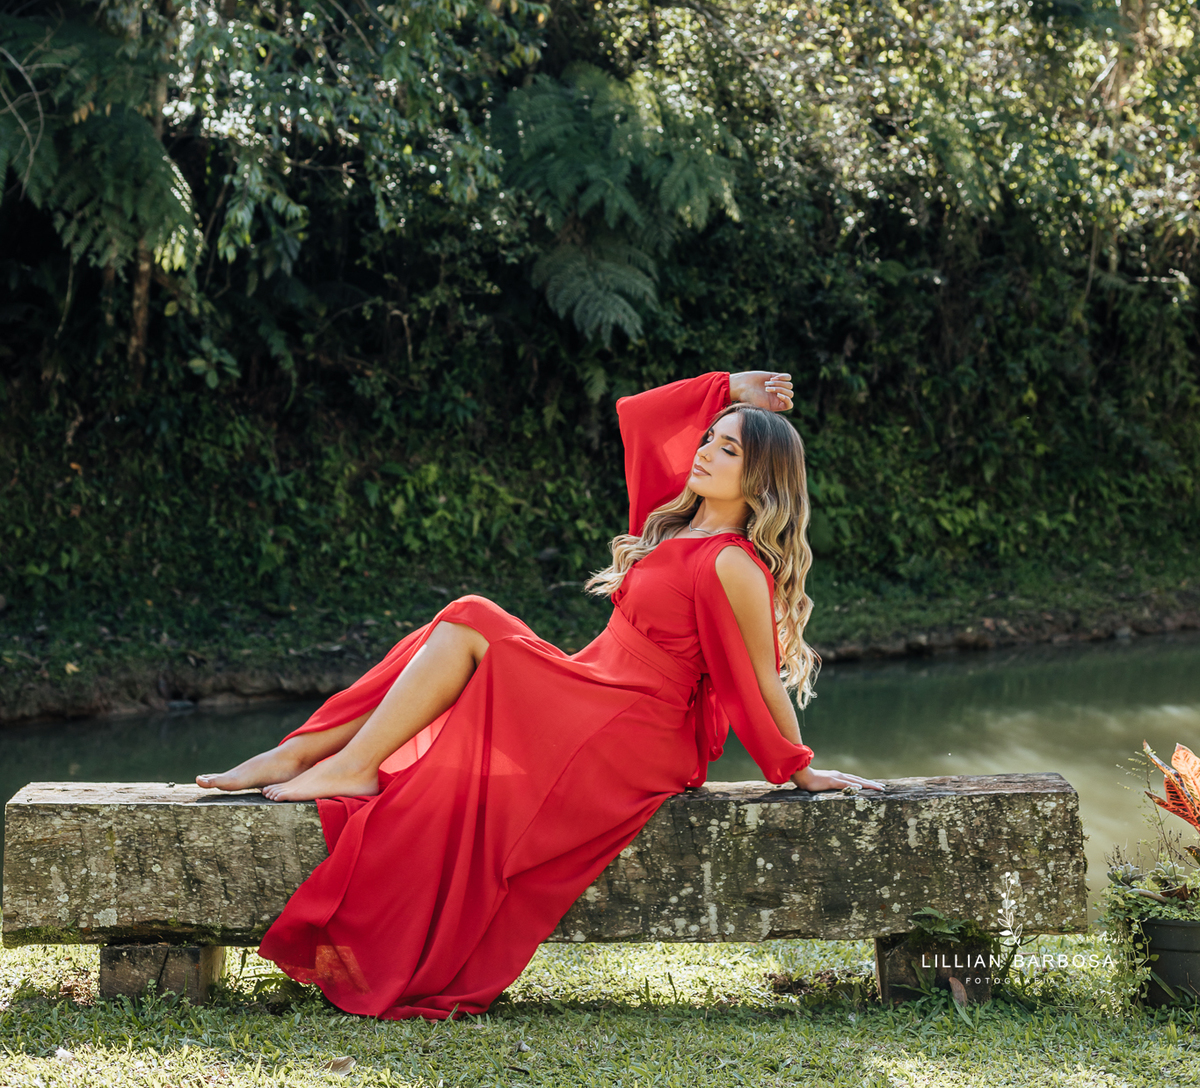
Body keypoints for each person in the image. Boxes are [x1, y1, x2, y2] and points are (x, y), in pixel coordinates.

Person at [196, 369, 883, 1019]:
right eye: (709, 437)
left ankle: (343, 760)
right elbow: (641, 418)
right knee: (461, 622)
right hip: (597, 692)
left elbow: (757, 680)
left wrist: (798, 768)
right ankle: (307, 752)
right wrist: (729, 387)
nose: (705, 451)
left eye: (728, 448)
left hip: (633, 731)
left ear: (758, 476)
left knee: (470, 618)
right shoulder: (677, 524)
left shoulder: (731, 560)